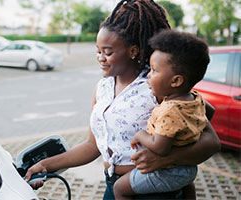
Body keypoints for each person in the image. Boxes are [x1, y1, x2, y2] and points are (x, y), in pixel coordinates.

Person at [25, 0, 221, 199]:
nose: (100, 57)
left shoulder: (157, 85)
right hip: (113, 186)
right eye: (98, 51)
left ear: (133, 50)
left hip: (153, 189)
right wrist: (45, 165)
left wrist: (165, 159)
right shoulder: (102, 88)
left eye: (108, 52)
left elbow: (211, 141)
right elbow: (92, 147)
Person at [113, 30, 210, 200]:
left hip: (168, 171)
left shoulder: (170, 110)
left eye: (154, 70)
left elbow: (160, 148)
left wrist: (141, 135)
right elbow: (211, 112)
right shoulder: (194, 98)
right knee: (187, 186)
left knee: (120, 188)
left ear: (176, 81)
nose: (148, 75)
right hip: (188, 169)